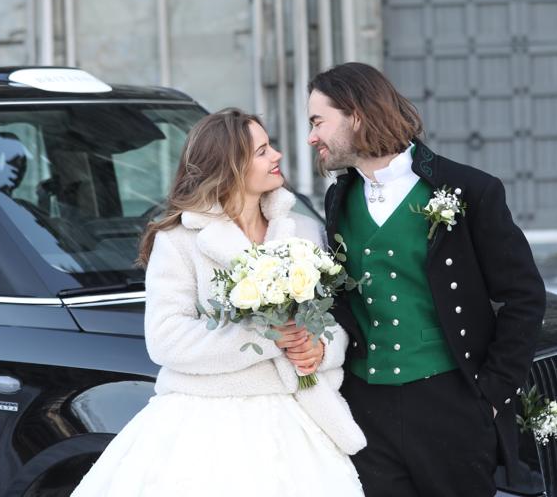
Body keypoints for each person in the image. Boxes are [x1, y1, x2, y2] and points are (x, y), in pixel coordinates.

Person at [71, 108, 365, 497]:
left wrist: (320, 347)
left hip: (298, 417)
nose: (276, 155)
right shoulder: (179, 240)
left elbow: (330, 317)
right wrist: (267, 337)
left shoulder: (304, 230)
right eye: (261, 151)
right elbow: (166, 338)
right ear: (229, 166)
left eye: (270, 145)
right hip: (206, 422)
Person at [307, 62, 546, 497]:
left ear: (356, 115)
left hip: (449, 402)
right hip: (367, 406)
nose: (312, 137)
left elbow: (524, 297)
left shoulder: (467, 189)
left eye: (318, 121)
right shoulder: (339, 197)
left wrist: (490, 395)